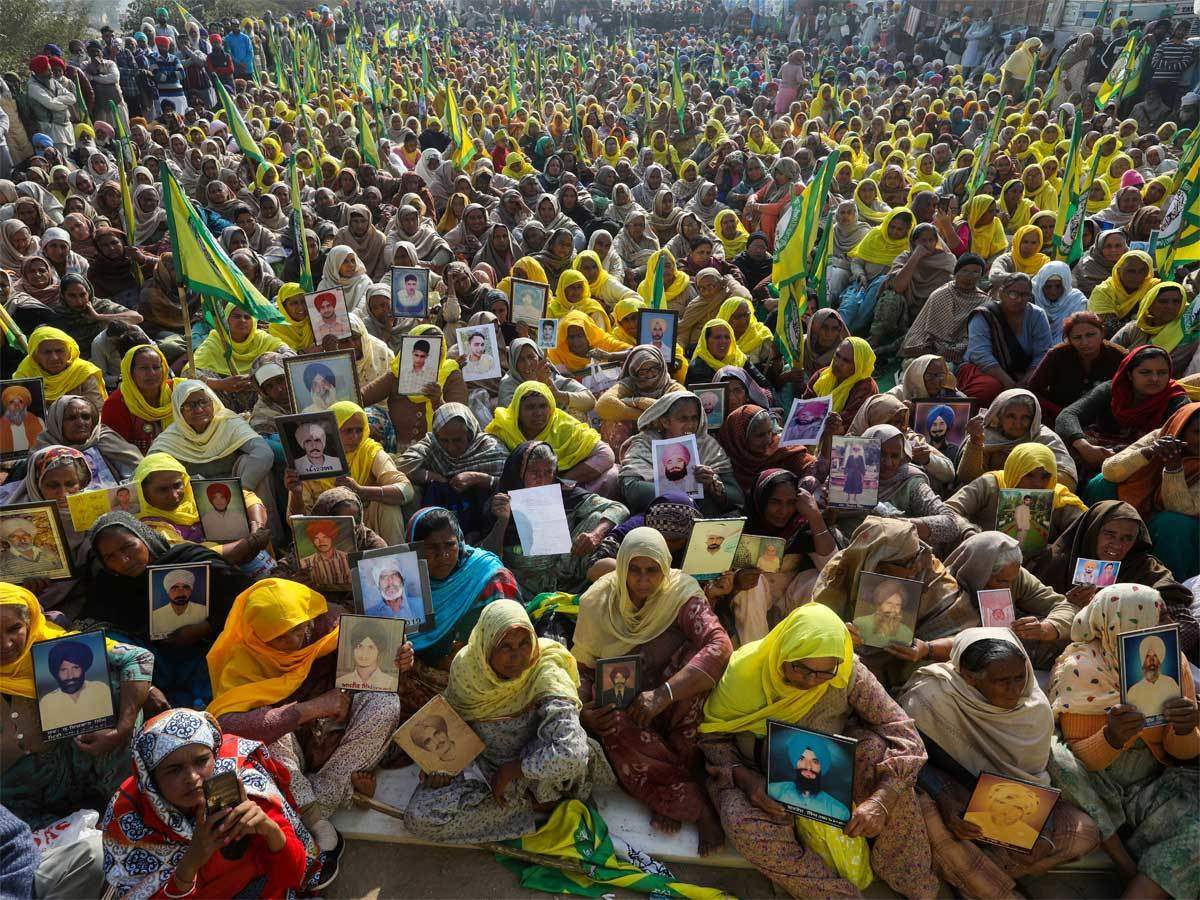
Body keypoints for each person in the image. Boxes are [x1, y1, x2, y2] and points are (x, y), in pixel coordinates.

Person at [698, 604, 939, 898]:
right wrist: (748, 782)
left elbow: (902, 730)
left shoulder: (847, 671)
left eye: (824, 674)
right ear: (783, 653)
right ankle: (835, 893)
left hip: (831, 767)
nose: (811, 681)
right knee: (743, 824)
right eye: (801, 669)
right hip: (760, 775)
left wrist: (882, 800)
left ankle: (910, 877)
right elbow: (712, 739)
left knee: (879, 755)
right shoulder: (743, 675)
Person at [207, 578, 408, 874]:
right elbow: (226, 726)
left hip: (338, 737)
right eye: (277, 638)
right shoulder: (242, 657)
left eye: (298, 630)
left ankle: (307, 809)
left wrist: (400, 656)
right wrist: (306, 710)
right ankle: (316, 815)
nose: (293, 642)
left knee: (386, 704)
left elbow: (376, 662)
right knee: (263, 725)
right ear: (255, 635)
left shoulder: (330, 625)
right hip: (292, 750)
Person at [898, 628, 1101, 896]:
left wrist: (1042, 829)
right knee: (924, 812)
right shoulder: (929, 698)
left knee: (1085, 832)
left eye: (1020, 677)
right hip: (950, 803)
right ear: (968, 678)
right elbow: (910, 759)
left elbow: (1031, 780)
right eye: (1002, 681)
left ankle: (980, 880)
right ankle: (1002, 891)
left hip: (1009, 806)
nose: (1015, 689)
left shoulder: (1034, 709)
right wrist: (945, 799)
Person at [572, 527, 732, 856]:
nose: (643, 580)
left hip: (671, 696)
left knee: (696, 663)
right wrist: (583, 709)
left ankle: (671, 788)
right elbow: (583, 668)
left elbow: (719, 645)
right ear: (620, 568)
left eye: (652, 570)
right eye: (633, 569)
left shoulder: (681, 592)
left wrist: (664, 694)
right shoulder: (597, 602)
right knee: (612, 726)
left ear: (665, 567)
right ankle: (692, 801)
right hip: (624, 697)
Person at [404, 600, 612, 843]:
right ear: (487, 645)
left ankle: (540, 803)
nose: (517, 656)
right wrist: (439, 768)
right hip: (489, 769)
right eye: (505, 646)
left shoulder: (545, 667)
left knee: (566, 760)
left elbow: (572, 752)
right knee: (419, 817)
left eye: (525, 643)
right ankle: (535, 810)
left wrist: (514, 770)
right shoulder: (469, 669)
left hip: (544, 770)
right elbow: (452, 722)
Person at [1047, 585, 1199, 898]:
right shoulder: (1078, 668)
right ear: (1125, 621)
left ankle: (1141, 888)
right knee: (1055, 757)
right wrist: (1112, 737)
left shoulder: (1172, 661)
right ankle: (1123, 858)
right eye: (1159, 618)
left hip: (1150, 785)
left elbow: (1180, 753)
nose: (1167, 628)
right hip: (1094, 789)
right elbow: (1080, 761)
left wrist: (1186, 730)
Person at [101, 708, 324, 897]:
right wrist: (190, 864)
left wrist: (271, 831)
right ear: (151, 778)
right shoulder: (129, 816)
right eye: (174, 770)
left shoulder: (242, 787)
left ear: (214, 756)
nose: (192, 778)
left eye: (201, 761)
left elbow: (293, 875)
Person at [0, 584, 152, 827]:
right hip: (14, 795)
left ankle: (121, 806)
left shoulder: (59, 647)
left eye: (14, 629)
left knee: (110, 685)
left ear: (30, 623)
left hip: (76, 767)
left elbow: (139, 658)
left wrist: (122, 728)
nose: (6, 644)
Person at [483, 440, 628, 599]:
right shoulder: (500, 502)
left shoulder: (566, 493)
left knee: (597, 517)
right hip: (523, 584)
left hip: (566, 573)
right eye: (534, 473)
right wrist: (502, 521)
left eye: (548, 472)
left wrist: (595, 535)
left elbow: (619, 508)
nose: (542, 480)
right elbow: (489, 558)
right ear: (519, 473)